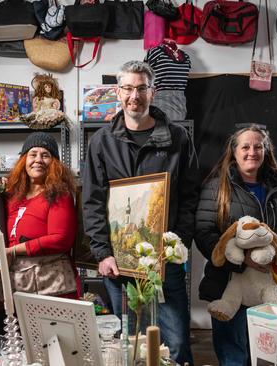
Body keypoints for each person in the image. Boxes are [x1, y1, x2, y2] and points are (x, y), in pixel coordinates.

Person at [82, 60, 199, 365]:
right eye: (128, 88)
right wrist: (102, 252)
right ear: (118, 92)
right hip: (118, 262)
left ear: (153, 92)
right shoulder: (101, 142)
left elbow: (190, 196)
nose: (135, 95)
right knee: (130, 344)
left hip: (165, 260)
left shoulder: (178, 138)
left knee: (174, 341)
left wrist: (177, 244)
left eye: (142, 88)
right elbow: (92, 201)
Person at [194, 126, 277, 366]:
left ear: (266, 150)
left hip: (267, 287)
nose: (252, 152)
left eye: (258, 146)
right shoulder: (216, 186)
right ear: (234, 151)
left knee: (266, 355)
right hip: (228, 284)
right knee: (234, 356)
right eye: (246, 147)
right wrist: (240, 260)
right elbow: (203, 233)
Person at [0, 132, 80, 315]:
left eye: (46, 155)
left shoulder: (60, 194)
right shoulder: (12, 195)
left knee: (45, 341)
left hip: (48, 283)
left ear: (55, 163)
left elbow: (61, 239)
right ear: (23, 160)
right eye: (33, 154)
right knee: (11, 339)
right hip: (10, 282)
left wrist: (14, 250)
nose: (38, 160)